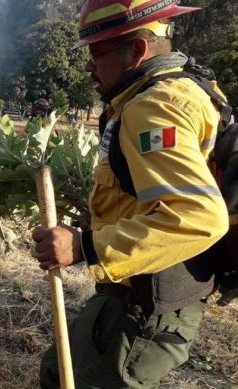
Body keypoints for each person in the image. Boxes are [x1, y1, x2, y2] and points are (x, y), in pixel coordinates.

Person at [32, 0, 230, 387]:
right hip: (137, 289)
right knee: (58, 371)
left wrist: (87, 247)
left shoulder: (155, 108)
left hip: (144, 303)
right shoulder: (184, 89)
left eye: (96, 51)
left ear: (137, 50)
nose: (89, 65)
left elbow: (199, 215)